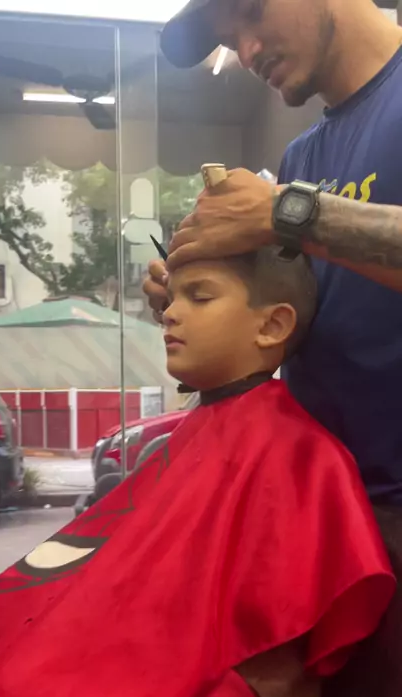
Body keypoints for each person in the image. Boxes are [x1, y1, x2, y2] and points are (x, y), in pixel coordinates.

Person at [0, 248, 395, 697]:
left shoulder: (299, 452)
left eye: (199, 296)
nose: (169, 313)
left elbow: (275, 627)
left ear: (272, 324)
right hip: (175, 656)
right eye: (172, 298)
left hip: (230, 687)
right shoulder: (203, 428)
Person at [145, 0, 402, 504]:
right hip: (331, 505)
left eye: (252, 12)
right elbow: (289, 320)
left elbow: (294, 216)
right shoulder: (301, 158)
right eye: (229, 41)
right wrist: (199, 299)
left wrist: (288, 214)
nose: (246, 52)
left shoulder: (288, 199)